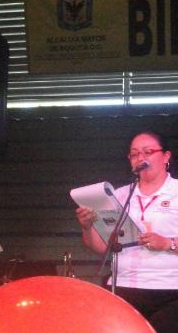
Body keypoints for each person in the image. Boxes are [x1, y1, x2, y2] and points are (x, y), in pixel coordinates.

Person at [76, 130, 178, 333]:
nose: (141, 158)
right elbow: (102, 247)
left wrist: (168, 243)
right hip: (123, 286)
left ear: (166, 156)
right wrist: (87, 227)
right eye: (134, 154)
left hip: (170, 289)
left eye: (148, 152)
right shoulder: (120, 195)